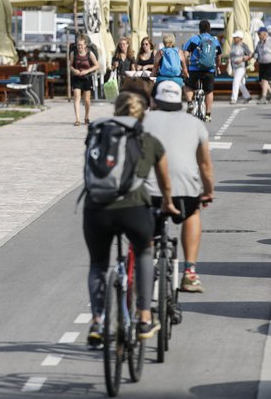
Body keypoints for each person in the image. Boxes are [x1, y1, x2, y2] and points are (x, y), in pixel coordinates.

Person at [83, 91, 179, 345]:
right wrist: (168, 203)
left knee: (98, 265)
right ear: (142, 115)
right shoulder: (148, 140)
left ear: (116, 111)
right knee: (145, 251)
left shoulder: (98, 134)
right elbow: (165, 183)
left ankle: (97, 323)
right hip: (133, 209)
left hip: (96, 209)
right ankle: (145, 316)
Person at [144, 81, 216, 293]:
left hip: (149, 190)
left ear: (153, 100)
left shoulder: (142, 120)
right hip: (184, 189)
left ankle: (146, 269)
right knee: (192, 213)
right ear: (180, 100)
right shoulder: (195, 124)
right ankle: (190, 272)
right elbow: (205, 165)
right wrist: (208, 191)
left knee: (146, 225)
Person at [182, 20, 222, 122]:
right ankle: (208, 114)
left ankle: (190, 102)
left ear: (199, 29)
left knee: (188, 86)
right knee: (209, 91)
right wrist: (217, 66)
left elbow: (185, 55)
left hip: (194, 69)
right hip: (209, 69)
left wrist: (186, 66)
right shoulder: (215, 40)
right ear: (209, 29)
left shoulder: (193, 39)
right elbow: (219, 57)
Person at [70, 38, 100, 127]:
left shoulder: (89, 53)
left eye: (81, 45)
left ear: (85, 45)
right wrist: (74, 70)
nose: (80, 47)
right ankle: (77, 119)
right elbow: (70, 65)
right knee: (77, 98)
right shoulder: (73, 53)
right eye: (78, 45)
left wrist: (87, 71)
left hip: (87, 78)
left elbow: (97, 65)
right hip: (77, 78)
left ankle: (86, 117)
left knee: (87, 100)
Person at [253, 26, 271, 104]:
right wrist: (255, 59)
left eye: (259, 34)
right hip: (262, 63)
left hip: (270, 63)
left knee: (265, 80)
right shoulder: (259, 42)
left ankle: (263, 97)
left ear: (264, 34)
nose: (258, 35)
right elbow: (256, 52)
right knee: (261, 81)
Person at [227, 31, 253, 105]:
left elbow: (250, 54)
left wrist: (243, 59)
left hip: (241, 67)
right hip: (234, 67)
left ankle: (234, 98)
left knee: (235, 81)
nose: (234, 38)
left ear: (240, 38)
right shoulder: (233, 45)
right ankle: (247, 96)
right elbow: (231, 55)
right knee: (240, 83)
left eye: (236, 37)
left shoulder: (243, 45)